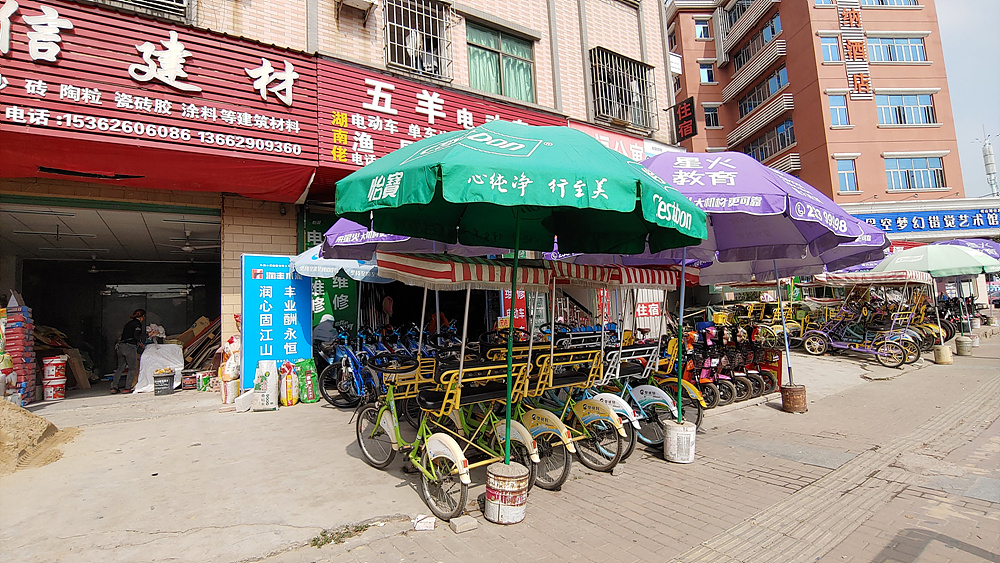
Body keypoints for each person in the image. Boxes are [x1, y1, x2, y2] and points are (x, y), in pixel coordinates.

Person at [111, 309, 145, 394]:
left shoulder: (128, 323)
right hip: (129, 348)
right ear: (142, 317)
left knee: (120, 368)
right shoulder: (137, 324)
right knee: (132, 368)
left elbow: (128, 336)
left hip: (120, 347)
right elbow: (136, 336)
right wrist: (148, 335)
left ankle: (114, 387)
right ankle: (127, 387)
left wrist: (138, 342)